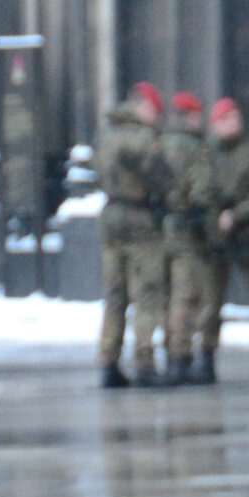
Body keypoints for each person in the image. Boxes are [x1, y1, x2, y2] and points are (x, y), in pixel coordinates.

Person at [192, 97, 249, 383]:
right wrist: (214, 218)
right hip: (215, 238)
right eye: (226, 119)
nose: (233, 124)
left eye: (236, 118)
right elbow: (199, 192)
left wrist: (237, 214)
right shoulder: (205, 154)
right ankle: (206, 356)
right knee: (210, 301)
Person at [96, 82, 169, 388]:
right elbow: (160, 177)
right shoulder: (144, 138)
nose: (156, 117)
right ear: (142, 107)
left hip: (111, 214)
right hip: (140, 216)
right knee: (146, 291)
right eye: (154, 110)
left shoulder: (107, 134)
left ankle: (108, 361)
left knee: (115, 294)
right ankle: (144, 362)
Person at [161, 92, 213, 384]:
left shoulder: (159, 144)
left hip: (160, 228)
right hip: (186, 229)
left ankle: (169, 353)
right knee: (186, 294)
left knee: (167, 295)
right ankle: (181, 356)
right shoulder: (195, 148)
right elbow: (201, 189)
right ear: (190, 116)